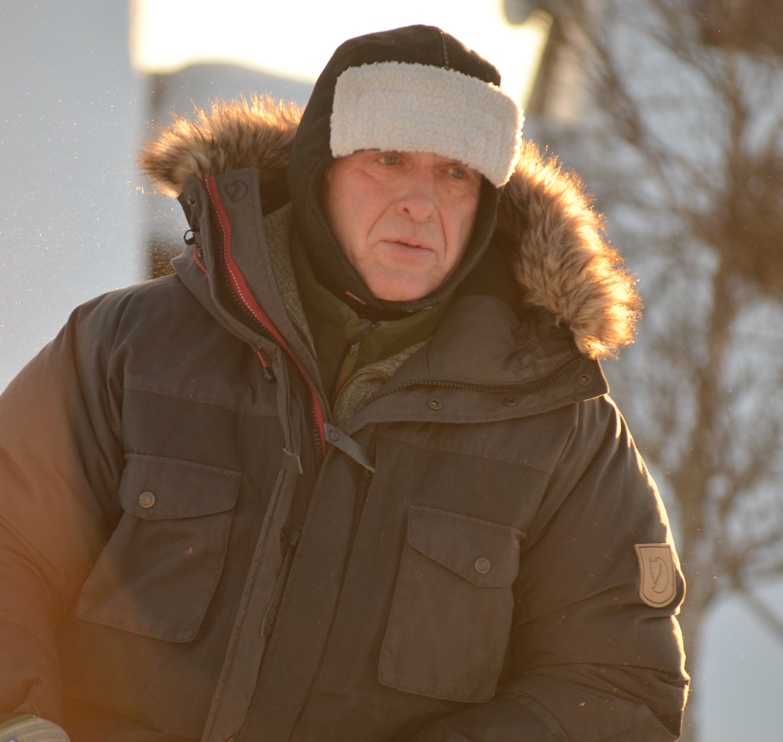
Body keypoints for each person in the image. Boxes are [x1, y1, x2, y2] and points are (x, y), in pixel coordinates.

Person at [0, 25, 688, 742]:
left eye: (456, 173)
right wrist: (19, 722)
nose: (421, 202)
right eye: (388, 159)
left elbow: (616, 687)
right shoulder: (128, 347)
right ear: (318, 170)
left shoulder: (558, 424)